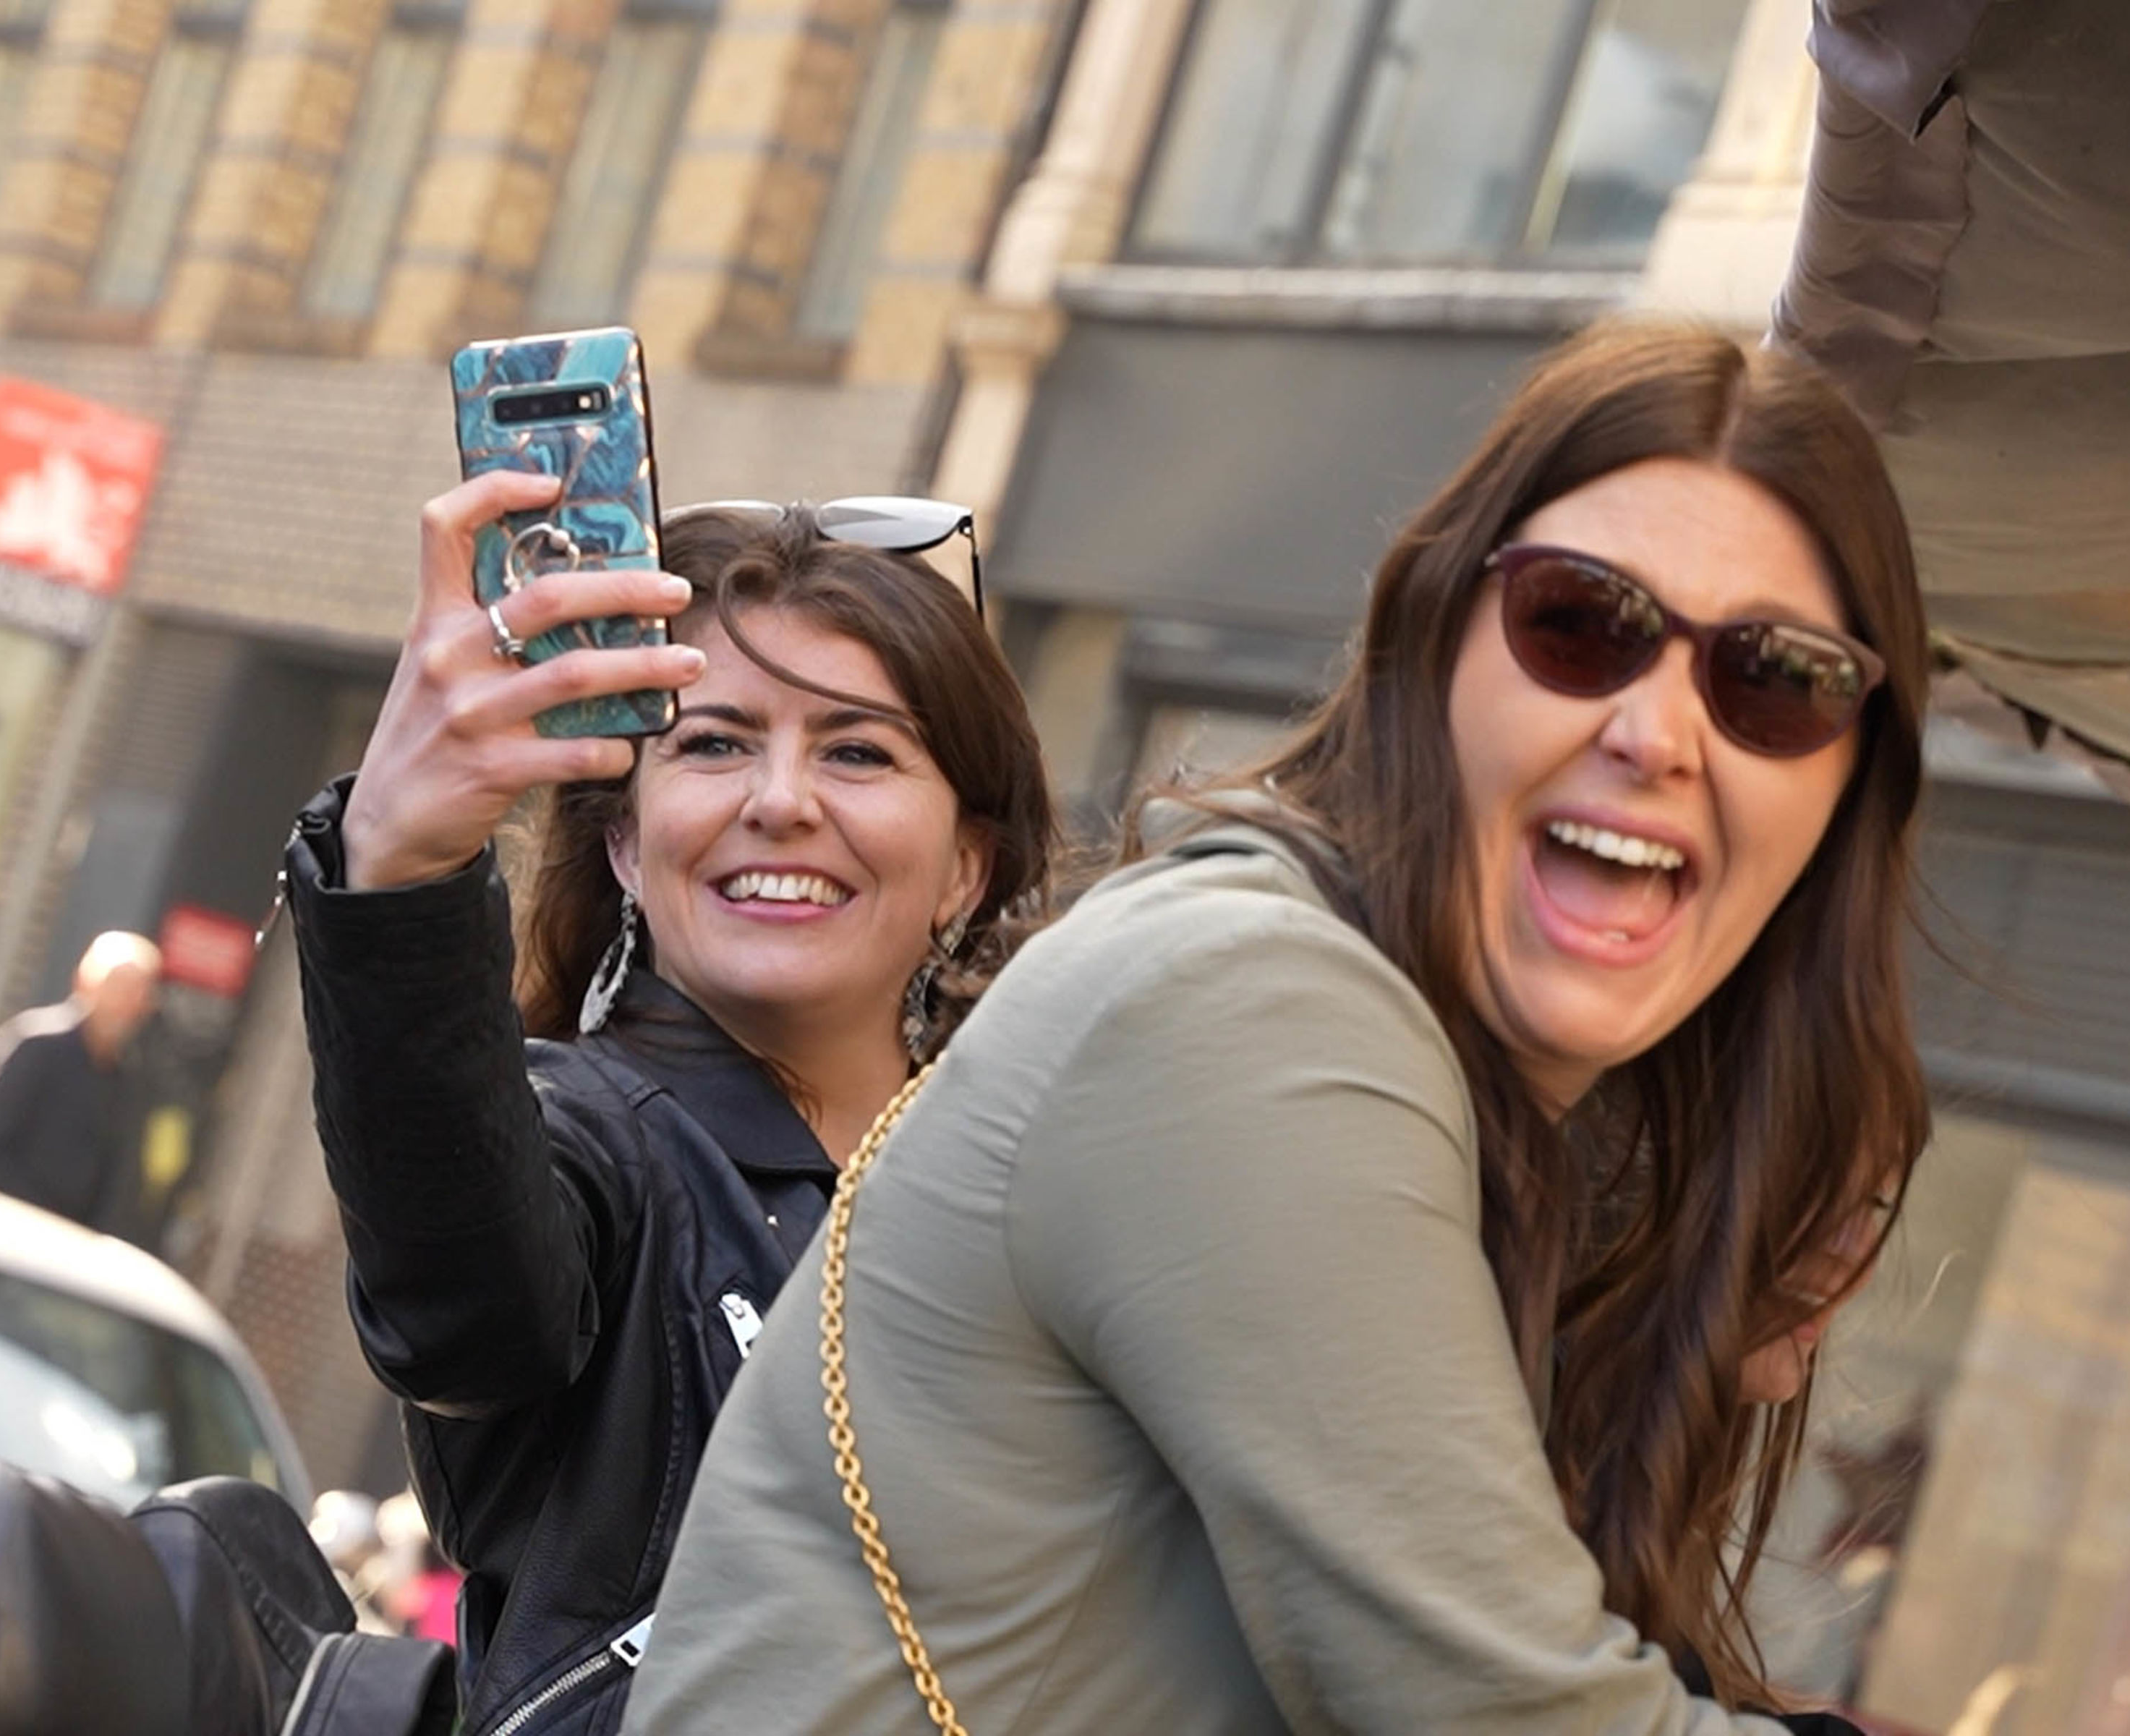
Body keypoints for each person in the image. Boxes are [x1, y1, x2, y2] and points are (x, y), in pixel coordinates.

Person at [626, 321, 1929, 1734]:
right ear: (1434, 642)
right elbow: (1516, 1716)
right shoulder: (1253, 1003)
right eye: (1580, 623)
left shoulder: (1466, 1106)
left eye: (1775, 681)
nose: (1658, 733)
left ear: (1847, 789)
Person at [283, 477, 1052, 1736]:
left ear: (967, 865)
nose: (781, 800)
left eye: (857, 750)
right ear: (629, 846)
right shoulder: (597, 1140)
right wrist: (402, 868)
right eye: (714, 744)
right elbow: (459, 1308)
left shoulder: (1034, 1211)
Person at [0, 929, 161, 1233]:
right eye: (120, 987)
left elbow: (115, 1183)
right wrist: (39, 1219)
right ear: (86, 983)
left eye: (140, 993)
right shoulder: (37, 1045)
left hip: (65, 1247)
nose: (129, 1004)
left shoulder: (127, 1081)